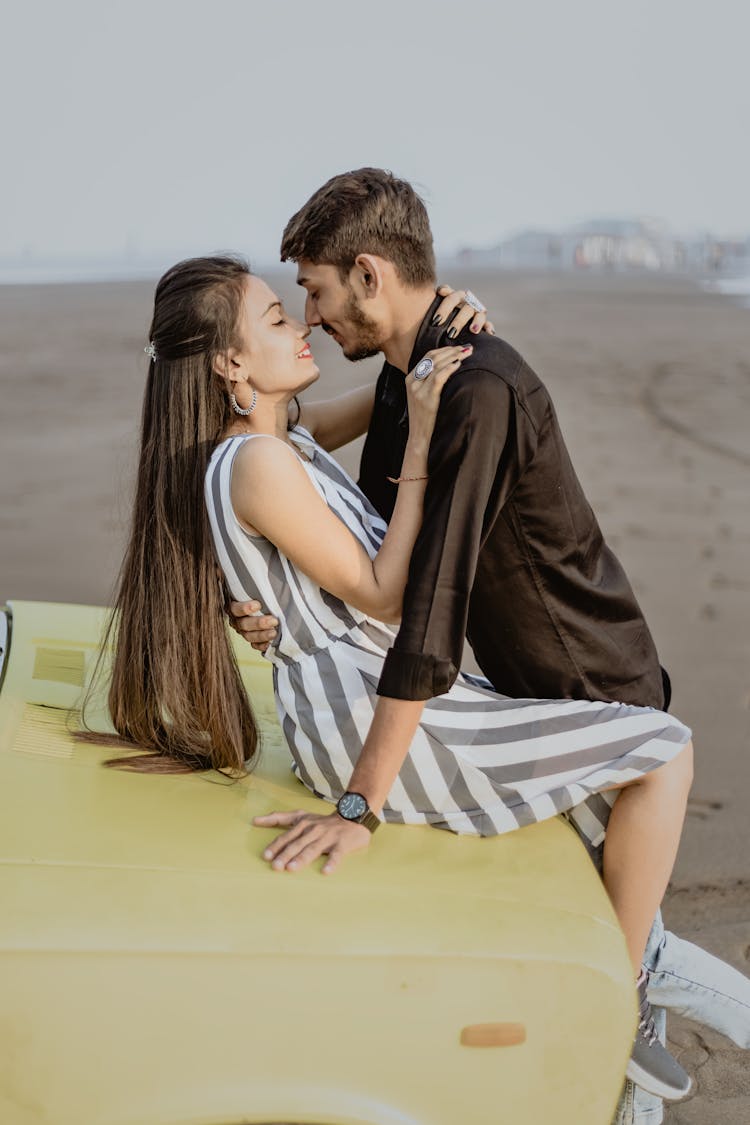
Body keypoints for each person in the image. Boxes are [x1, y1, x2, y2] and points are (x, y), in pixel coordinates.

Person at [97, 249, 698, 1106]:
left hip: (359, 682)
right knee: (662, 752)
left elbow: (394, 389)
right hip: (356, 704)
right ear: (230, 364)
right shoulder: (257, 465)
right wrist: (419, 441)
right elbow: (383, 588)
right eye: (275, 317)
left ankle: (614, 961)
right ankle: (620, 991)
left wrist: (438, 325)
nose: (300, 322)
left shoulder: (277, 442)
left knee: (601, 786)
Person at [227, 169, 750, 1121]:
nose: (309, 311)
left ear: (371, 275)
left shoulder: (474, 392)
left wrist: (361, 801)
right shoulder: (409, 379)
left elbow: (429, 606)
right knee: (635, 950)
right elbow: (354, 518)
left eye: (315, 287)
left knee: (630, 960)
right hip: (520, 686)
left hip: (591, 681)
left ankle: (619, 1033)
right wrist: (262, 600)